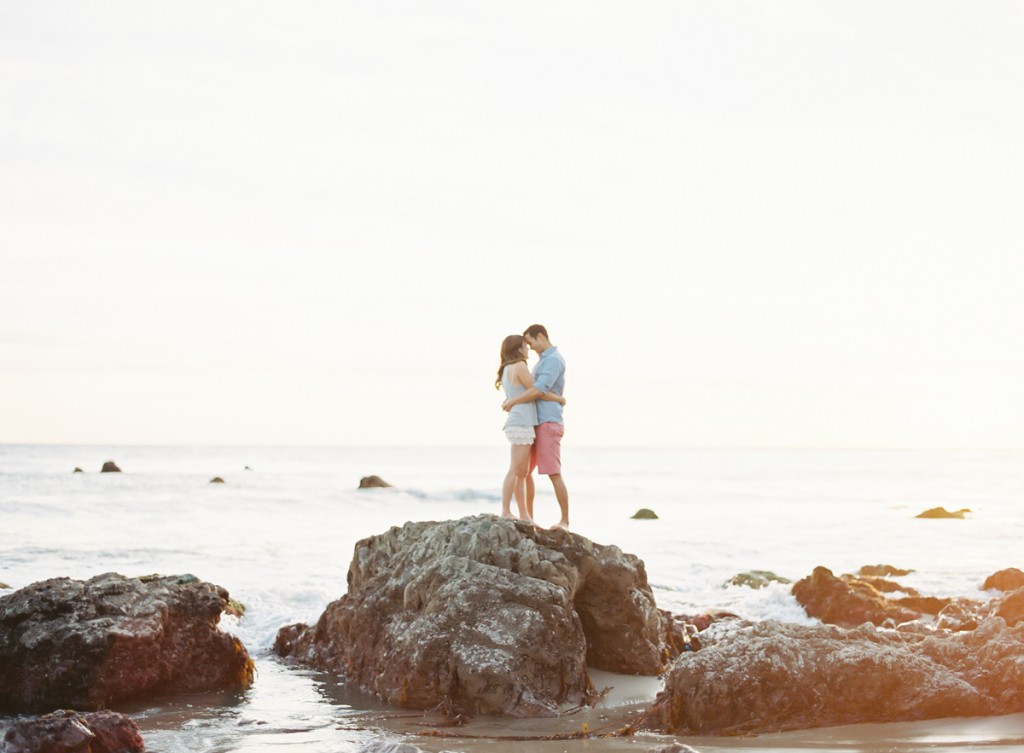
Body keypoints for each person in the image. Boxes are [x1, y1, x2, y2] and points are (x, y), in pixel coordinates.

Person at [502, 324, 568, 529]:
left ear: (540, 337)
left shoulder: (553, 361)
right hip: (533, 423)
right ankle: (527, 516)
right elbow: (533, 390)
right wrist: (559, 398)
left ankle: (564, 520)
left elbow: (538, 390)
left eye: (530, 342)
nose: (529, 348)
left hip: (548, 421)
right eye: (525, 345)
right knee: (523, 472)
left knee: (553, 472)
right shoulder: (539, 363)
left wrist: (513, 401)